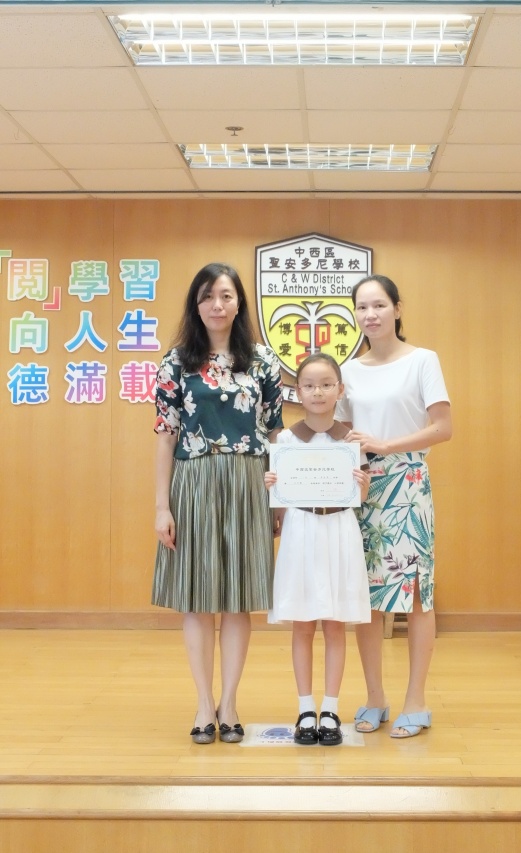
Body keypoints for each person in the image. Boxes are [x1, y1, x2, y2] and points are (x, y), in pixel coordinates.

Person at [152, 262, 283, 743]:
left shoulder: (262, 361)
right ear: (196, 304)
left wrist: (280, 498)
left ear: (239, 302)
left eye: (226, 295)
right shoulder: (176, 362)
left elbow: (275, 433)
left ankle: (229, 703)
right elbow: (165, 436)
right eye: (207, 296)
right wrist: (161, 506)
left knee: (237, 598)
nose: (217, 305)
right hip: (195, 481)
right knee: (198, 598)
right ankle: (204, 704)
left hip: (249, 481)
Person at [335, 274, 452, 739]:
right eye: (362, 307)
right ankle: (374, 698)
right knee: (367, 598)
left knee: (416, 594)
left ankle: (416, 701)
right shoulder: (349, 371)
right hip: (362, 487)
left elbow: (442, 428)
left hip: (408, 482)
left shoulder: (423, 360)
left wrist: (385, 445)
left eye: (379, 305)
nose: (371, 314)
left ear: (398, 309)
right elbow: (340, 435)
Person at [265, 353, 371, 746]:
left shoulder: (352, 439)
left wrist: (363, 486)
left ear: (339, 390)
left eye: (327, 384)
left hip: (340, 530)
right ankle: (305, 708)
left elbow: (362, 494)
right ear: (298, 391)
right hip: (301, 531)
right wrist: (272, 487)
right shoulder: (285, 440)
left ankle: (330, 708)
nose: (318, 392)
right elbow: (278, 504)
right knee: (303, 622)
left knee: (335, 622)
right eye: (309, 385)